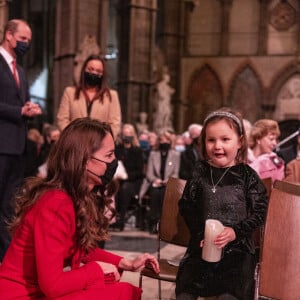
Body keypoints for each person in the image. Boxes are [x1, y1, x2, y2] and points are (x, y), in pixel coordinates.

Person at [0, 118, 159, 299]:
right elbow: (53, 286)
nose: (115, 161)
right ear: (84, 160)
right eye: (109, 155)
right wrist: (96, 270)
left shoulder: (74, 195)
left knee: (116, 286)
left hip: (37, 292)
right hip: (20, 295)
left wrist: (127, 263)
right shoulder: (55, 203)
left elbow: (78, 250)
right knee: (122, 291)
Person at [176, 108, 268, 300]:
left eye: (225, 139)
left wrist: (236, 231)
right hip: (202, 247)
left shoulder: (247, 176)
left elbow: (260, 211)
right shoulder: (200, 170)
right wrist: (200, 233)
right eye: (211, 140)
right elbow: (187, 205)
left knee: (229, 295)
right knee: (185, 293)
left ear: (240, 142)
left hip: (237, 251)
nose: (217, 146)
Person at [0, 19, 42, 261]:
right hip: (1, 146)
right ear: (9, 35)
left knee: (8, 207)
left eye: (29, 41)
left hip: (17, 146)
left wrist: (28, 108)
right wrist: (18, 111)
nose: (26, 44)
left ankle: (6, 260)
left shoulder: (21, 72)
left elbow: (20, 103)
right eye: (23, 39)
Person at [56, 54, 121, 139]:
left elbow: (114, 124)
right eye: (91, 69)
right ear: (84, 70)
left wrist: (102, 142)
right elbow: (62, 120)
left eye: (98, 71)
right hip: (74, 143)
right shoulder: (69, 92)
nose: (94, 73)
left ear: (103, 74)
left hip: (100, 145)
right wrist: (74, 138)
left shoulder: (112, 96)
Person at [142, 130, 180, 233]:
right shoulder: (153, 154)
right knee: (155, 194)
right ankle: (153, 223)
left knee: (164, 194)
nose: (165, 142)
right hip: (155, 183)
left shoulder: (176, 155)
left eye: (167, 140)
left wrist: (168, 180)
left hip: (169, 183)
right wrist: (156, 180)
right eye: (162, 140)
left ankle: (164, 224)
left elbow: (176, 173)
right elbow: (149, 173)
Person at [112, 123, 144, 231]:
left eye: (129, 133)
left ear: (133, 135)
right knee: (113, 187)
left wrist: (126, 177)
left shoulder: (137, 150)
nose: (127, 136)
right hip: (117, 178)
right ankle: (112, 219)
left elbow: (139, 171)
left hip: (132, 180)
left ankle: (121, 221)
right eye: (125, 134)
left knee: (125, 188)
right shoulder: (117, 149)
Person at [248, 119, 284, 183]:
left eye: (275, 140)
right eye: (271, 139)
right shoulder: (240, 158)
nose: (275, 143)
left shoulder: (277, 164)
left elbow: (278, 190)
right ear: (258, 138)